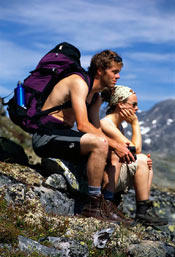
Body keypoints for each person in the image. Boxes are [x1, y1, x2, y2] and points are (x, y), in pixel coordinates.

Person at [32, 50, 135, 224]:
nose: (117, 77)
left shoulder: (95, 97)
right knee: (102, 144)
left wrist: (118, 147)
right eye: (114, 72)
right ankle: (93, 205)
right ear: (100, 70)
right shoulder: (79, 82)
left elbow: (95, 129)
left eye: (118, 73)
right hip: (46, 135)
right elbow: (83, 126)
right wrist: (113, 144)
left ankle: (107, 203)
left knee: (111, 151)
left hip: (63, 135)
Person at [100, 85, 168, 226]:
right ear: (121, 104)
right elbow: (135, 149)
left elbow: (133, 152)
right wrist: (135, 124)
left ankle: (144, 210)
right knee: (142, 159)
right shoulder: (106, 123)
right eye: (134, 104)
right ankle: (141, 212)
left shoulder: (119, 126)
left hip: (113, 175)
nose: (136, 109)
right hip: (105, 178)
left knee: (146, 163)